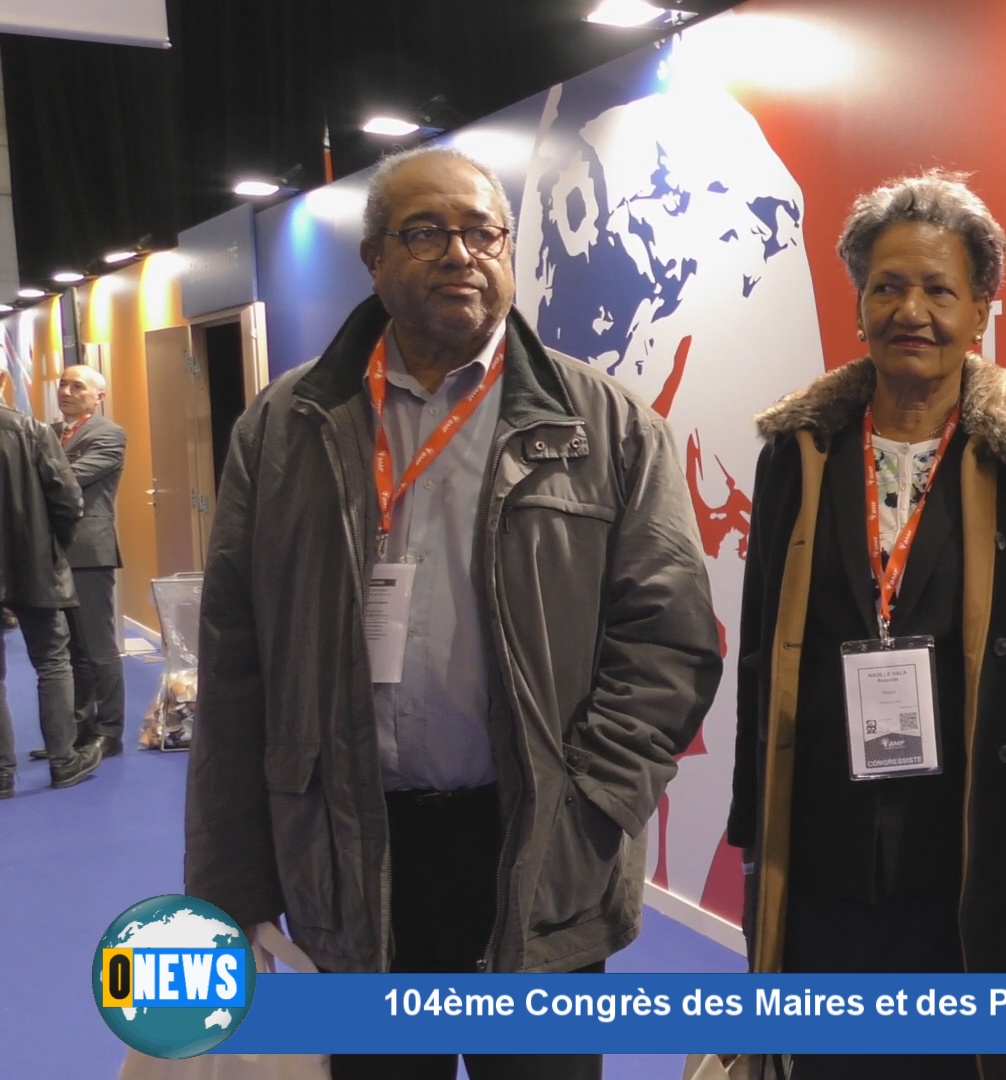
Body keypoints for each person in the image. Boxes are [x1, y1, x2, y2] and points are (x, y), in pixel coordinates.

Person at [184, 145, 723, 1080]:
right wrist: (229, 873)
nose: (460, 254)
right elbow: (236, 659)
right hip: (353, 842)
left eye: (484, 232)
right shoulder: (283, 429)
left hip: (535, 839)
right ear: (374, 259)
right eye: (426, 232)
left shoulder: (608, 424)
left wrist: (592, 805)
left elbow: (669, 643)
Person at [728, 170, 1006, 1080]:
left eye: (940, 289)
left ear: (982, 310)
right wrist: (759, 867)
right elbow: (762, 670)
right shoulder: (800, 456)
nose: (913, 310)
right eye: (888, 286)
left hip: (977, 884)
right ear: (859, 302)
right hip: (827, 881)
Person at [0, 399, 98, 797]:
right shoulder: (32, 431)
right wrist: (52, 548)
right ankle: (64, 761)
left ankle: (1, 773)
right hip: (34, 565)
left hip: (32, 562)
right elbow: (69, 501)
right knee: (54, 662)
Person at [56, 365, 128, 757]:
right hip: (53, 552)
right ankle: (79, 729)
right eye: (63, 384)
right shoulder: (51, 433)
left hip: (88, 553)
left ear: (97, 396)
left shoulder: (108, 434)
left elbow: (67, 478)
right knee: (69, 649)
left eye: (77, 386)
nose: (66, 390)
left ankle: (110, 731)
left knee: (98, 647)